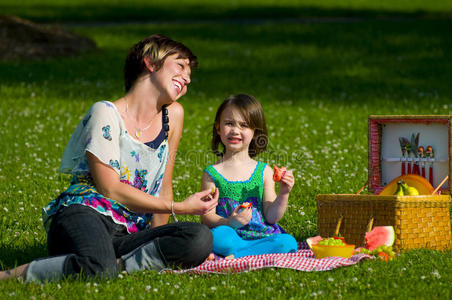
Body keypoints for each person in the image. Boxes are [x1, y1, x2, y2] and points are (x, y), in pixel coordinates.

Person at [0, 34, 218, 283]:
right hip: (85, 214)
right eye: (180, 65)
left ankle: (107, 265)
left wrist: (162, 239)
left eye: (189, 75)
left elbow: (163, 185)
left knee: (199, 238)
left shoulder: (174, 116)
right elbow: (110, 188)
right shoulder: (105, 112)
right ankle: (9, 276)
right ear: (150, 62)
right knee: (98, 270)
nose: (187, 78)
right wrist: (179, 208)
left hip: (131, 231)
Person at [201, 94, 297, 259]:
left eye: (244, 125)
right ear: (218, 128)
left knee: (288, 243)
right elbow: (206, 217)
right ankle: (241, 251)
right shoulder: (212, 173)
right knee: (218, 237)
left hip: (261, 236)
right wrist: (229, 222)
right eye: (229, 123)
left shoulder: (264, 171)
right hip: (229, 234)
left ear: (254, 132)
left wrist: (284, 193)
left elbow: (271, 216)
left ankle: (235, 255)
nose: (235, 130)